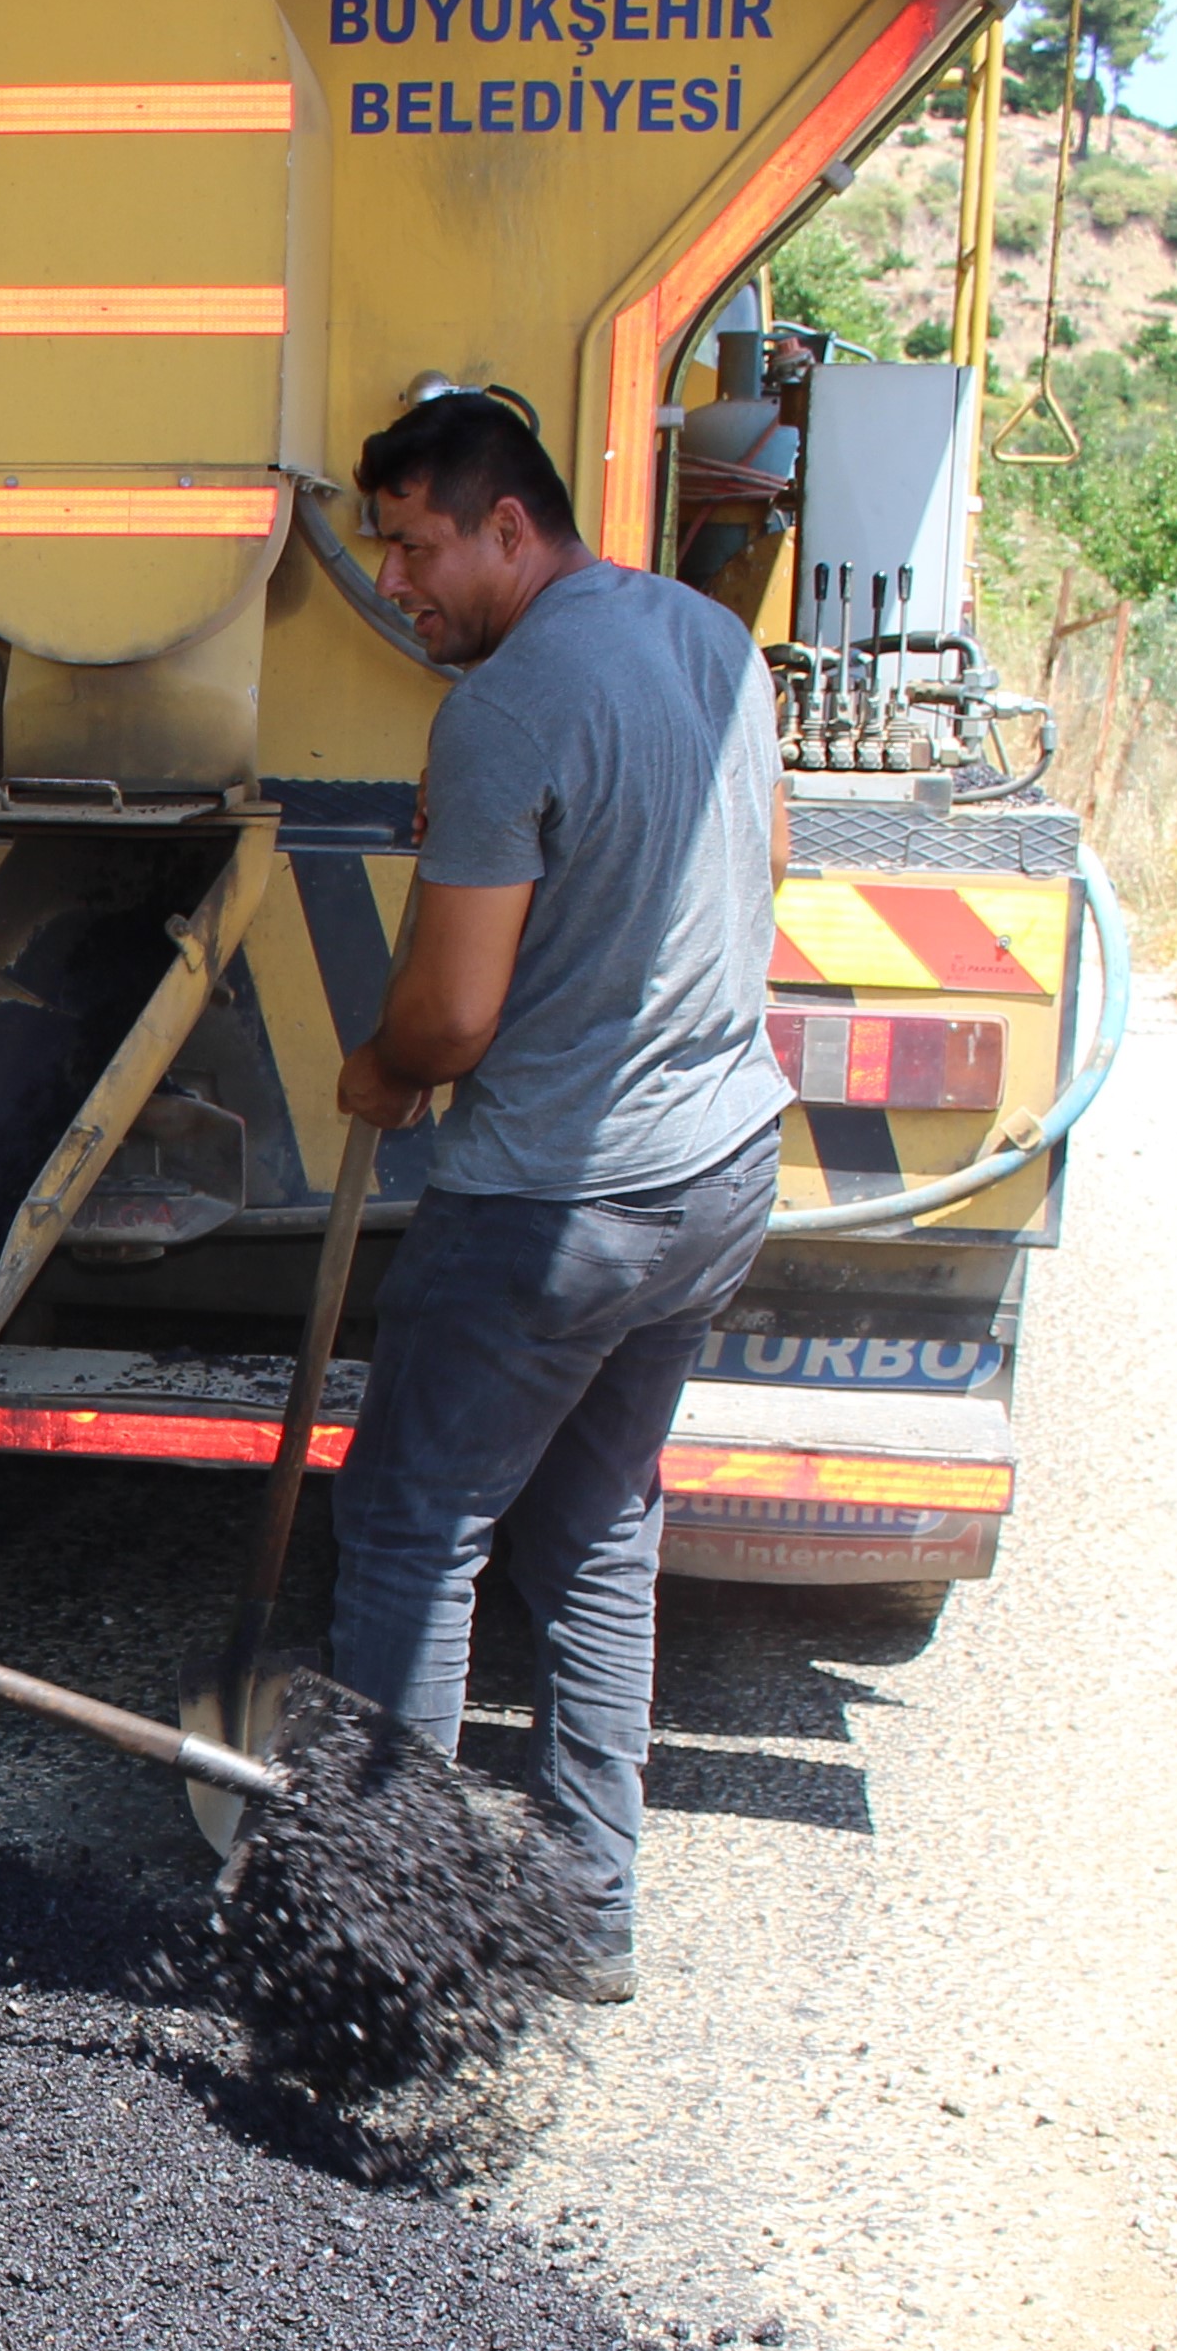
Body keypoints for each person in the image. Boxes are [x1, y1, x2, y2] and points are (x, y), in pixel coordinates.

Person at [327, 389, 793, 2006]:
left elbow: (449, 1021)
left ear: (508, 526)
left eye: (414, 545)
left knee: (411, 1524)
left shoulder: (510, 704)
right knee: (596, 1526)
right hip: (722, 1170)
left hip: (556, 1202)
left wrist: (379, 1074)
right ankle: (589, 1911)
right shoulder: (706, 640)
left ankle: (379, 1929)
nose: (395, 583)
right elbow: (757, 858)